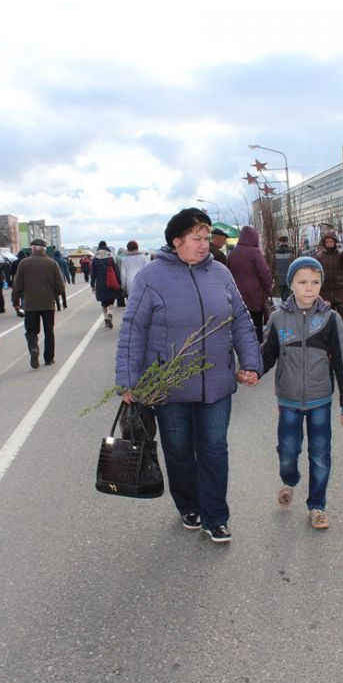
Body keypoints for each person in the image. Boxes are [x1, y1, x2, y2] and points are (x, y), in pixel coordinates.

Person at [115, 208, 262, 544]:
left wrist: (250, 362)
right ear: (176, 241)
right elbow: (133, 327)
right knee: (179, 451)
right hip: (170, 387)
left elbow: (240, 319)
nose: (203, 244)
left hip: (216, 385)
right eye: (196, 238)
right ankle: (189, 505)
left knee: (214, 449)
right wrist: (128, 379)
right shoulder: (151, 277)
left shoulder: (221, 274)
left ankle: (216, 516)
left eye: (206, 237)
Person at [258, 256, 343, 530]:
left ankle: (317, 506)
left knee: (320, 454)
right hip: (288, 400)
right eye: (302, 282)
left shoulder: (330, 319)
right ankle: (289, 480)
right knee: (288, 451)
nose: (309, 288)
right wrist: (252, 372)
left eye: (315, 282)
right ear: (291, 284)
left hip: (320, 400)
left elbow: (342, 364)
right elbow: (267, 355)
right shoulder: (277, 319)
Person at [12, 238, 66, 368]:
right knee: (49, 331)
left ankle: (33, 348)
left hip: (30, 304)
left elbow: (17, 285)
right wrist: (53, 296)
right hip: (48, 304)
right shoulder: (52, 263)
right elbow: (60, 286)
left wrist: (16, 303)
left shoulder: (24, 264)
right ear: (44, 249)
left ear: (33, 249)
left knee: (31, 330)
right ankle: (48, 358)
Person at [227, 225, 273, 343]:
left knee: (240, 327)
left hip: (236, 297)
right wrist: (269, 288)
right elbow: (265, 273)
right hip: (255, 298)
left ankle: (243, 351)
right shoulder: (255, 253)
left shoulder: (233, 253)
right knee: (256, 327)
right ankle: (257, 352)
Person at [315, 229, 343, 327]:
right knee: (328, 320)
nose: (329, 244)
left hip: (340, 291)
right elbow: (315, 271)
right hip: (325, 292)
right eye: (327, 242)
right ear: (324, 243)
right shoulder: (319, 256)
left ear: (335, 242)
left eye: (331, 242)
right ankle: (330, 340)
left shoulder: (340, 253)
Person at [91, 241, 121, 329]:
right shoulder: (110, 257)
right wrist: (119, 281)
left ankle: (106, 318)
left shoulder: (95, 259)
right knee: (111, 300)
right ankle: (110, 313)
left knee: (103, 303)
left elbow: (93, 273)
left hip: (100, 283)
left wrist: (92, 284)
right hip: (111, 282)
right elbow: (116, 271)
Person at [274, 235, 294, 302]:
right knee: (288, 292)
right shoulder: (291, 251)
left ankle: (283, 303)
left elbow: (274, 264)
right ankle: (287, 305)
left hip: (280, 275)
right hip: (288, 274)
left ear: (280, 242)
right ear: (287, 241)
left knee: (281, 293)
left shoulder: (276, 252)